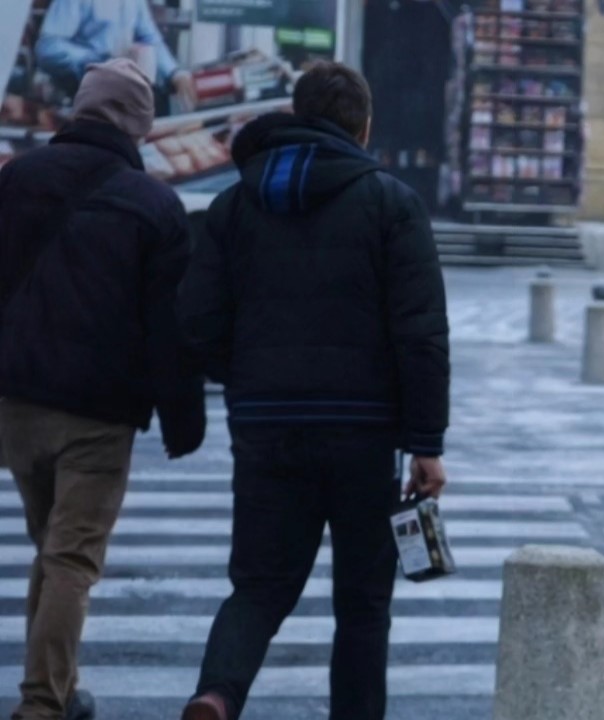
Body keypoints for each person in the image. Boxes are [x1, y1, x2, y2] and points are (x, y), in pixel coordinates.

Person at [176, 61, 449, 720]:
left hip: (266, 428)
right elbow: (421, 334)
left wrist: (243, 377)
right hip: (363, 434)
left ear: (298, 116)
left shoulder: (234, 204)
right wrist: (426, 443)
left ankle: (217, 694)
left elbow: (193, 319)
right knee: (362, 605)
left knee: (259, 587)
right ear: (364, 125)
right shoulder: (390, 202)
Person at [0, 58, 207, 720]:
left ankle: (61, 687)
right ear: (140, 125)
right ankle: (42, 704)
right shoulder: (155, 206)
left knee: (53, 549)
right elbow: (166, 330)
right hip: (95, 413)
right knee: (72, 560)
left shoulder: (16, 181)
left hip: (14, 401)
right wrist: (183, 418)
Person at [36, 0, 197, 106]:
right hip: (81, 96)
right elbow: (47, 47)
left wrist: (174, 73)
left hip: (123, 97)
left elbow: (150, 39)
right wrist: (98, 60)